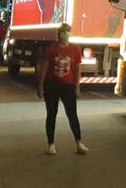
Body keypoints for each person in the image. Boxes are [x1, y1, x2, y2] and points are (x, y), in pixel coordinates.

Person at [37, 24, 88, 155]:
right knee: (51, 115)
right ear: (58, 33)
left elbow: (77, 69)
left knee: (72, 115)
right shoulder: (51, 49)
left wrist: (77, 87)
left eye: (67, 31)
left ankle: (78, 143)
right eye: (62, 31)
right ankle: (51, 144)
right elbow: (45, 67)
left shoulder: (75, 49)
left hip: (68, 86)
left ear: (70, 33)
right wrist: (40, 86)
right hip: (51, 85)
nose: (65, 34)